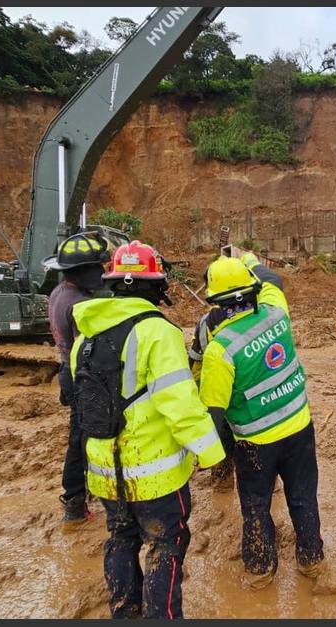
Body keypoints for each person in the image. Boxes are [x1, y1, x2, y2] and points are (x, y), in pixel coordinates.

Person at [71, 240, 227, 619]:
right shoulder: (159, 333)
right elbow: (180, 404)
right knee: (166, 546)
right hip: (155, 476)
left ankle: (125, 612)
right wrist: (211, 452)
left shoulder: (84, 338)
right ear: (156, 286)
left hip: (106, 474)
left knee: (120, 538)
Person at [198, 254, 324, 590]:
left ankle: (260, 569)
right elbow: (272, 281)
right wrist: (248, 262)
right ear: (253, 289)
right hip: (300, 426)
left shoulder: (219, 350)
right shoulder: (277, 313)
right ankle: (311, 559)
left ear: (216, 304)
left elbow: (213, 412)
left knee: (255, 506)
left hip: (255, 443)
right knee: (303, 496)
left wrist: (207, 456)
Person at [187, 251, 285, 493]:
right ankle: (268, 484)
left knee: (222, 443)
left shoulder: (206, 324)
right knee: (263, 455)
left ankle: (222, 483)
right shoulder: (264, 311)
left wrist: (198, 400)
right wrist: (249, 259)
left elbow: (196, 363)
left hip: (224, 401)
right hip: (260, 403)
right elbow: (272, 279)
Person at [44, 232, 109, 528]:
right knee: (83, 438)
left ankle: (77, 497)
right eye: (97, 268)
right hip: (83, 376)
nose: (101, 273)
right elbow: (94, 350)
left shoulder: (60, 292)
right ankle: (74, 502)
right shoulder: (81, 305)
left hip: (67, 371)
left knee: (79, 436)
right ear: (81, 271)